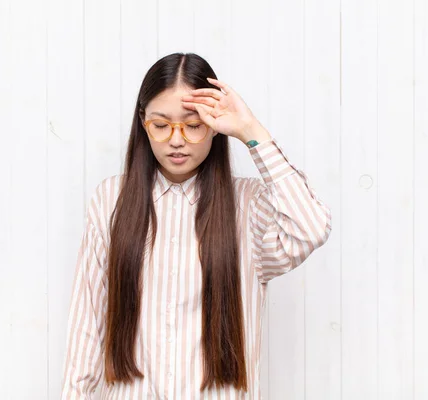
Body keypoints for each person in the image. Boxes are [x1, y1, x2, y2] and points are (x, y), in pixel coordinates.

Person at [60, 52, 332, 399]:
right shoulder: (111, 199)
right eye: (161, 125)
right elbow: (88, 324)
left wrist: (251, 131)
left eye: (193, 125)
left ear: (216, 127)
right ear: (143, 123)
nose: (176, 139)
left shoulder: (249, 205)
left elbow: (310, 227)